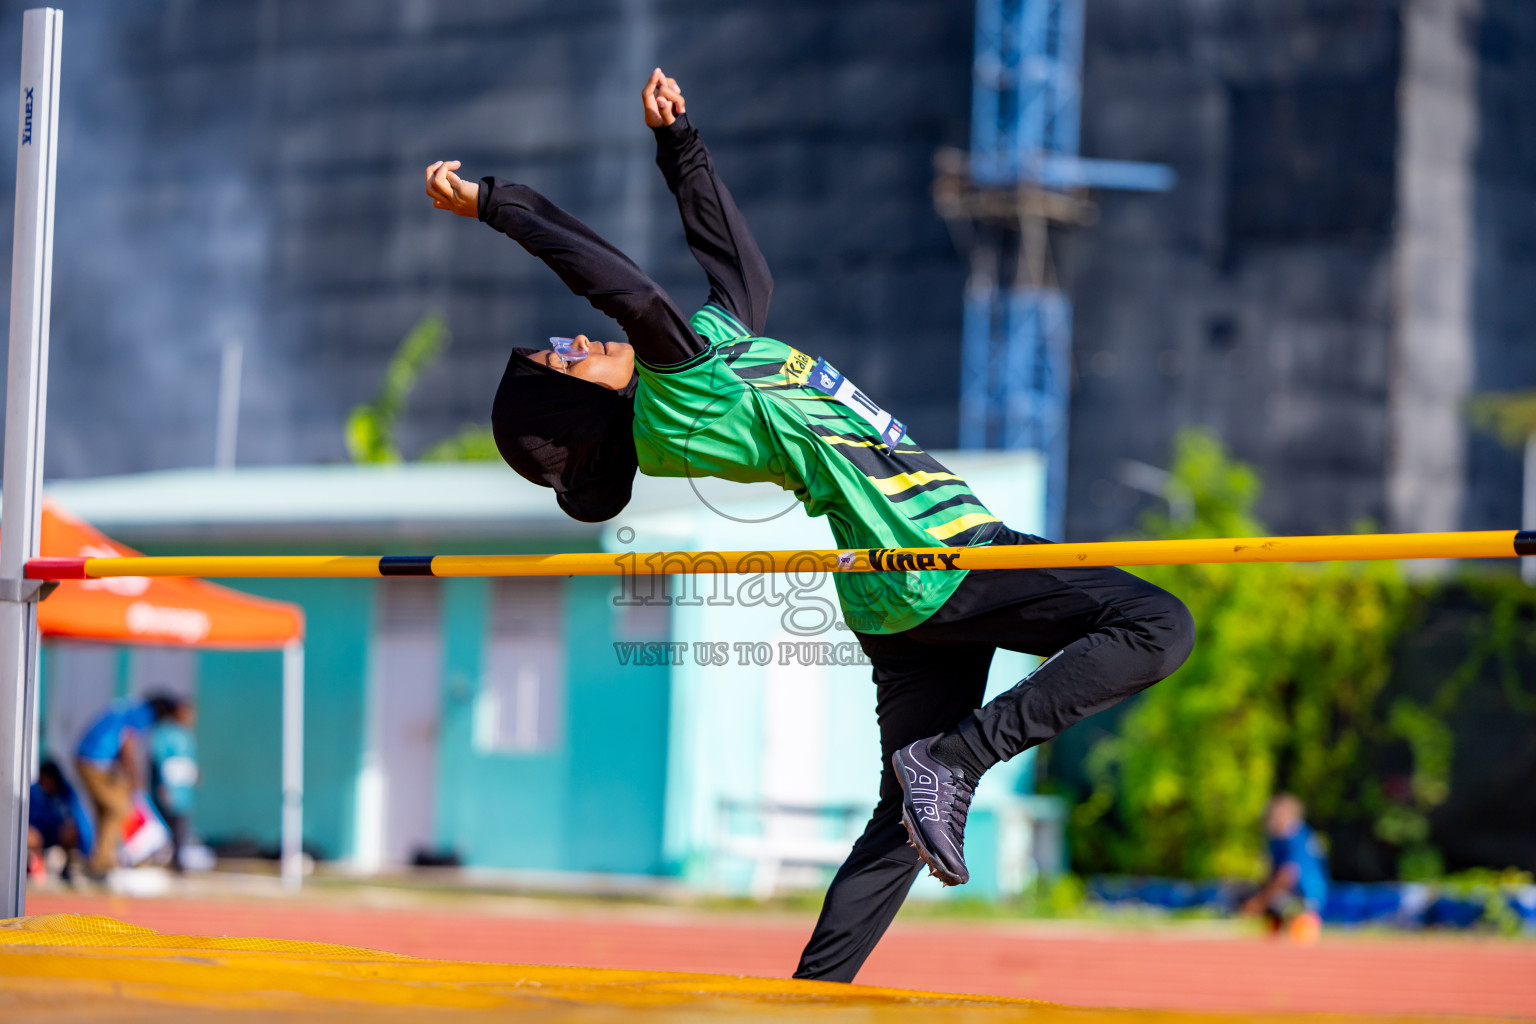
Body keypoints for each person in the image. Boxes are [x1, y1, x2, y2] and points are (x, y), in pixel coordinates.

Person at [424, 69, 1194, 982]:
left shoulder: (714, 356)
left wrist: (682, 147)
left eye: (563, 341)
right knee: (1158, 625)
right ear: (579, 413)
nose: (576, 342)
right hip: (933, 555)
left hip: (896, 584)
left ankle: (814, 993)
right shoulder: (675, 396)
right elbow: (616, 283)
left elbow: (741, 269)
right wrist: (496, 206)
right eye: (565, 359)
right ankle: (958, 759)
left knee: (900, 821)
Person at [74, 694, 184, 877]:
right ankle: (102, 861)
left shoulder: (129, 708)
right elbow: (127, 746)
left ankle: (101, 860)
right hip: (94, 761)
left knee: (106, 811)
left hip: (91, 759)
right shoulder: (143, 715)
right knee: (118, 809)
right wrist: (135, 777)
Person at [1242, 793, 1328, 945]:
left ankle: (1304, 921)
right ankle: (1279, 927)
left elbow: (1288, 875)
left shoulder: (1295, 838)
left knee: (1275, 902)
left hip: (1307, 898)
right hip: (1292, 894)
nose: (1271, 820)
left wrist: (1260, 902)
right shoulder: (1277, 840)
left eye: (1275, 815)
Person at [148, 700, 199, 873]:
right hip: (168, 791)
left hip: (184, 793)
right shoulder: (164, 733)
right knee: (162, 826)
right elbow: (159, 759)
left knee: (180, 828)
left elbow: (188, 761)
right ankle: (155, 859)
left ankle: (178, 862)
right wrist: (163, 785)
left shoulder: (187, 735)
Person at [27, 759, 81, 881]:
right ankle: (31, 865)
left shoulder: (65, 792)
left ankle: (66, 867)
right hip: (37, 835)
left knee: (70, 832)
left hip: (55, 836)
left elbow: (74, 819)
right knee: (29, 835)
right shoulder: (32, 792)